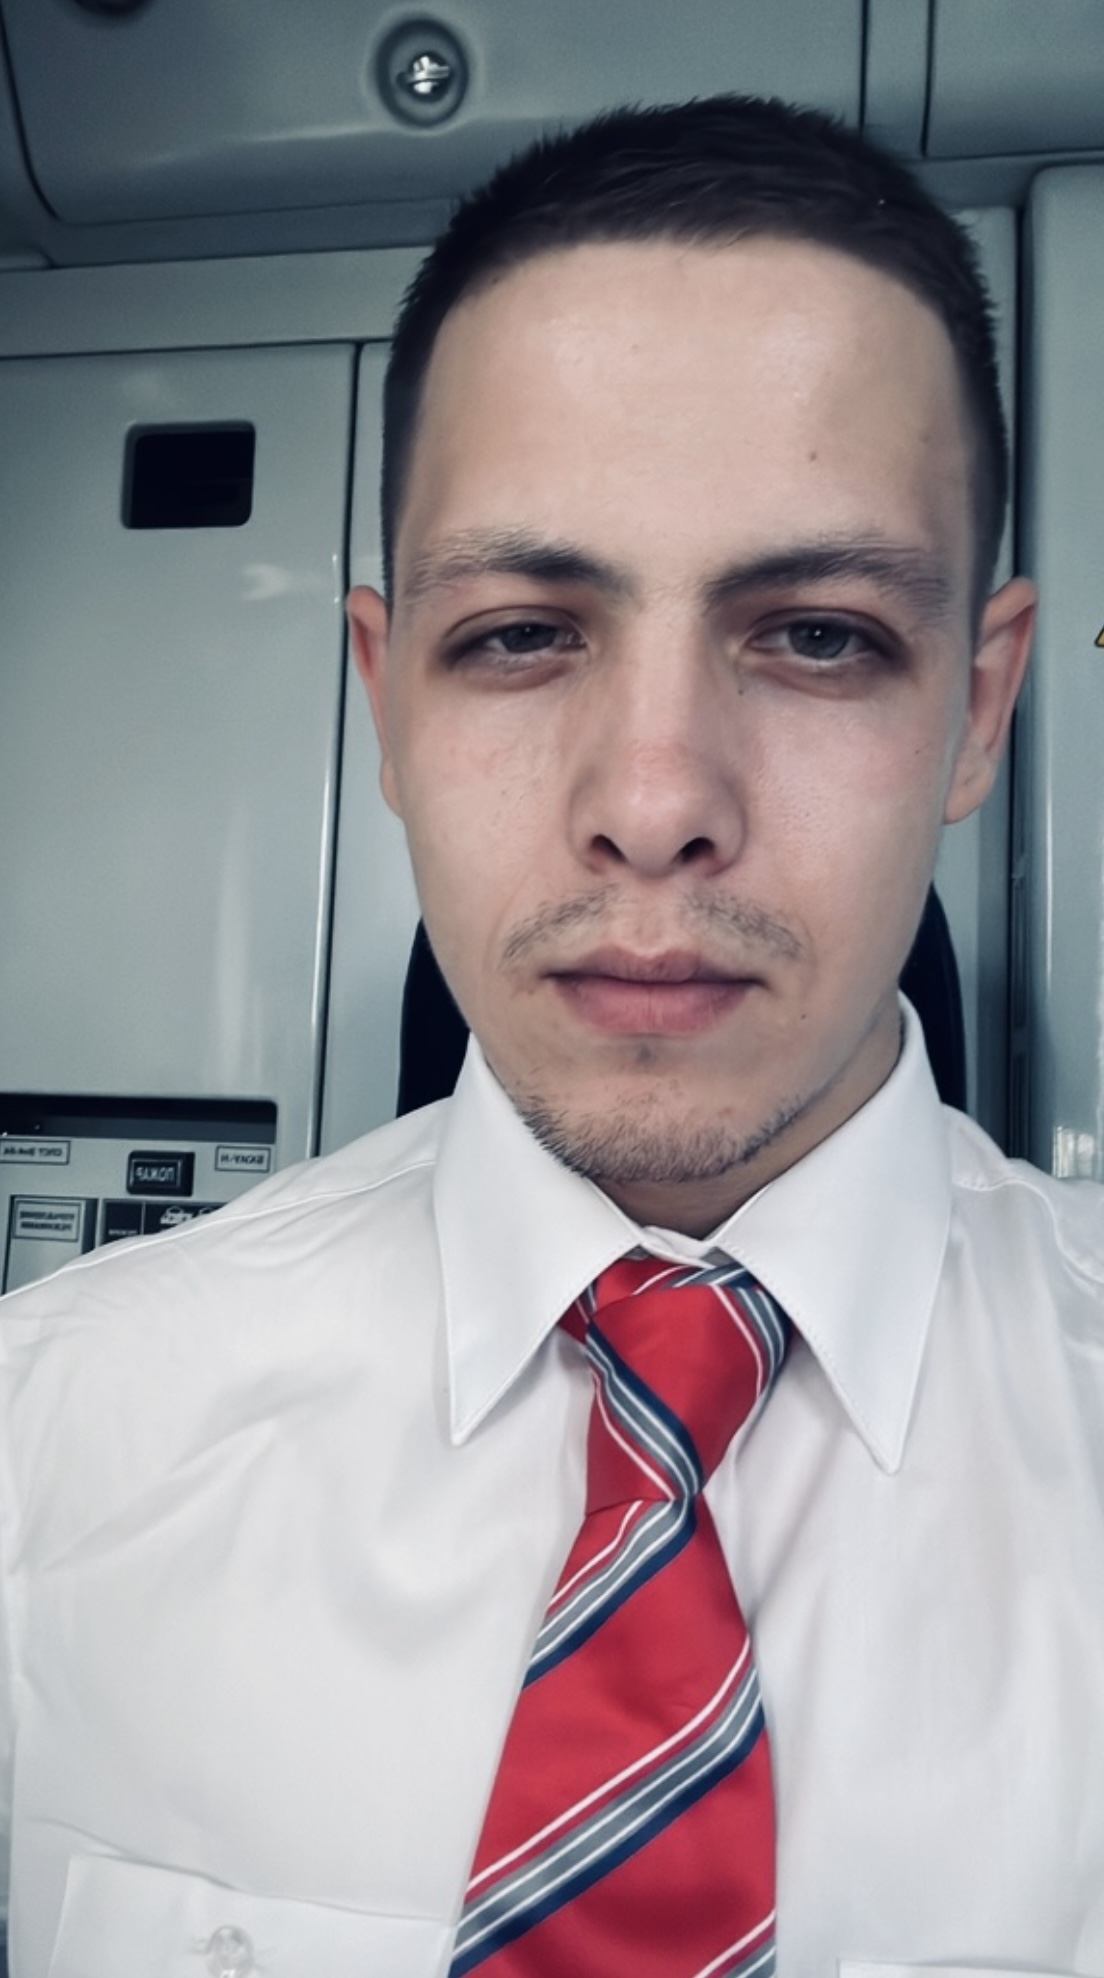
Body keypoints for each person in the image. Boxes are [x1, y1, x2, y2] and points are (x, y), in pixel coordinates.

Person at [0, 94, 1101, 1978]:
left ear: (980, 711)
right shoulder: (47, 1439)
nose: (655, 803)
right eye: (520, 634)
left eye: (820, 634)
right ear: (387, 704)